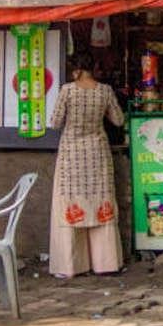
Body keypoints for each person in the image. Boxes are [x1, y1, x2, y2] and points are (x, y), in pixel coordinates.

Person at [48, 52, 125, 278]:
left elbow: (54, 123)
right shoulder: (105, 91)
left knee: (70, 202)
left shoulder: (67, 91)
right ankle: (105, 262)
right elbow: (119, 120)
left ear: (76, 70)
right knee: (100, 201)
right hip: (97, 152)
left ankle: (71, 265)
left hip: (71, 154)